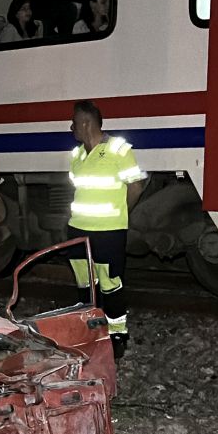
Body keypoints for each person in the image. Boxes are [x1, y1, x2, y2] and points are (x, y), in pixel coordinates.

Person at [66, 100, 147, 359]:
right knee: (85, 285)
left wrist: (120, 214)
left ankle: (117, 335)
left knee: (111, 286)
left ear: (86, 122)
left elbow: (136, 186)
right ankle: (91, 331)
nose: (72, 127)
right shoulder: (76, 155)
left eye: (74, 122)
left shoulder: (118, 149)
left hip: (109, 232)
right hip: (78, 231)